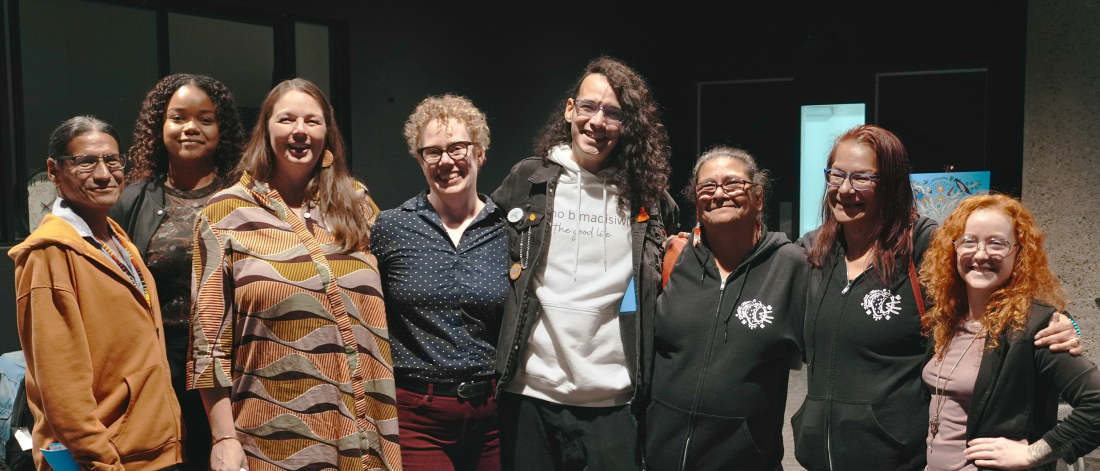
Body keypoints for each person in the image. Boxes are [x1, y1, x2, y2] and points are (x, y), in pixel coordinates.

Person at [792, 124, 1081, 470]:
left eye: (863, 178)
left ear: (892, 183)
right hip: (817, 458)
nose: (845, 189)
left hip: (898, 457)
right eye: (836, 175)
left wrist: (1058, 323)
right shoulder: (812, 252)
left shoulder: (925, 246)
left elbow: (996, 280)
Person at [188, 78, 401, 471]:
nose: (300, 131)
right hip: (275, 435)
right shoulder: (222, 214)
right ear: (266, 129)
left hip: (367, 430)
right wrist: (223, 438)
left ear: (327, 132)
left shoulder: (357, 204)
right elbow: (208, 345)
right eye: (287, 119)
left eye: (312, 121)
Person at [491, 56, 677, 470]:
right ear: (570, 110)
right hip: (530, 392)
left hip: (612, 396)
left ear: (627, 126)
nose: (598, 122)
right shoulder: (528, 181)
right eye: (589, 107)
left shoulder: (647, 196)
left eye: (613, 113)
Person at [10, 116, 183, 471]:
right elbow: (62, 387)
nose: (104, 174)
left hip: (148, 452)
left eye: (112, 160)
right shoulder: (50, 254)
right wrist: (101, 463)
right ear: (55, 171)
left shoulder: (115, 238)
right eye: (86, 161)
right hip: (109, 461)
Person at [110, 73, 246, 471]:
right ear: (160, 126)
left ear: (223, 130)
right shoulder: (131, 200)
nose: (190, 128)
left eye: (205, 119)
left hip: (238, 364)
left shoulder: (247, 196)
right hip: (161, 367)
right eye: (178, 118)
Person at [645, 147, 808, 470]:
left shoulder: (790, 266)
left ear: (759, 197)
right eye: (707, 187)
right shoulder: (674, 259)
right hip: (662, 457)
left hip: (746, 460)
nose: (719, 194)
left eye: (733, 184)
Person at [371, 95, 506, 470]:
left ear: (479, 152)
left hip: (493, 417)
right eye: (433, 152)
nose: (446, 161)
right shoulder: (392, 227)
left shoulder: (507, 231)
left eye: (457, 148)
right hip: (418, 416)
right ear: (420, 160)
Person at [919, 194, 1100, 470]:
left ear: (1019, 252)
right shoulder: (945, 321)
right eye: (969, 241)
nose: (980, 254)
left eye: (997, 244)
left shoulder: (1034, 327)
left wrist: (1034, 453)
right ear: (952, 250)